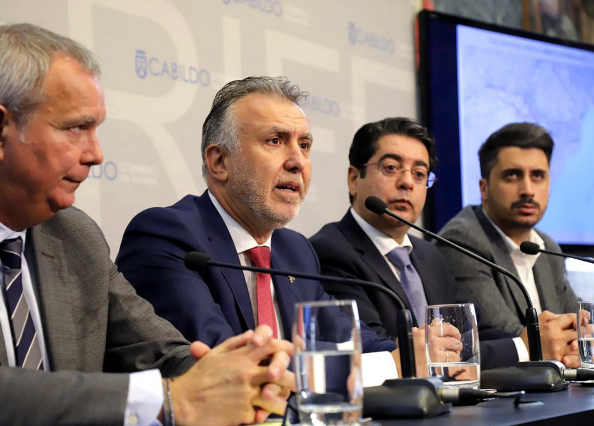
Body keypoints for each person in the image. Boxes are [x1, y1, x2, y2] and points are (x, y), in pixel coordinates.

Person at [0, 24, 293, 425]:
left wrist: (241, 377)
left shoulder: (74, 236)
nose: (96, 154)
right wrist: (169, 400)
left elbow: (157, 352)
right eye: (76, 128)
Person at [116, 77, 459, 378]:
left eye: (305, 145)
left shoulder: (294, 249)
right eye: (275, 141)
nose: (297, 162)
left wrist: (412, 349)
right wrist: (393, 365)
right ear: (220, 162)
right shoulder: (166, 236)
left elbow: (345, 336)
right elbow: (230, 363)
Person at [310, 117, 525, 371]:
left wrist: (533, 337)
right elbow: (381, 351)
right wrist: (522, 349)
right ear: (354, 179)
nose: (407, 182)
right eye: (391, 167)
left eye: (419, 173)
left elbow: (469, 334)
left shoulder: (429, 253)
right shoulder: (330, 251)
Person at [437, 122, 581, 367]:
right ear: (484, 188)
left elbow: (580, 326)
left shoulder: (546, 246)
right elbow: (508, 336)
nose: (527, 190)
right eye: (512, 175)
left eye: (537, 176)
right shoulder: (462, 241)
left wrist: (578, 342)